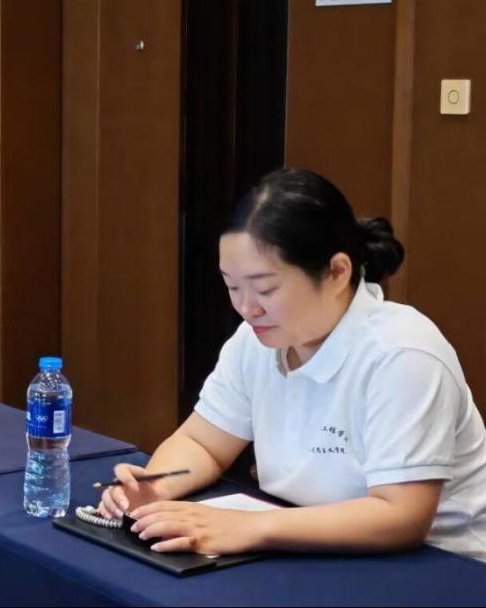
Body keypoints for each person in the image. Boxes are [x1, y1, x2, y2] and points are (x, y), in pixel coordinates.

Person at [100, 168, 486, 561]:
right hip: (304, 541)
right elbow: (203, 443)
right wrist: (158, 486)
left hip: (439, 565)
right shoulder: (255, 341)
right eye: (232, 286)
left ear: (337, 272)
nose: (246, 308)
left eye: (265, 288)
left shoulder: (402, 353)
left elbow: (401, 515)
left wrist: (247, 527)